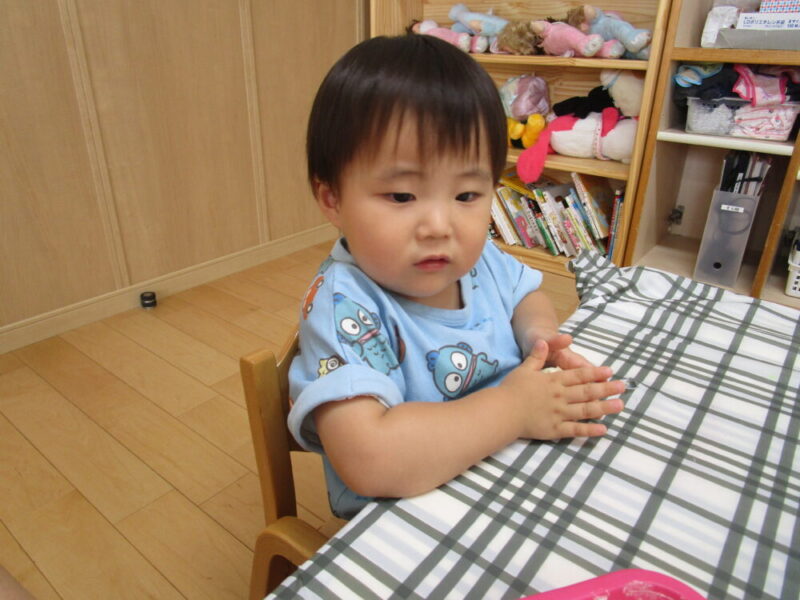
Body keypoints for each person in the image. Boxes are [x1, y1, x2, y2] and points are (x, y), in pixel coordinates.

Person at [288, 34, 625, 519]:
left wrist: (540, 337)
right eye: (402, 196)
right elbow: (369, 460)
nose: (439, 227)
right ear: (332, 199)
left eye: (466, 195)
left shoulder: (479, 256)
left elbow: (524, 295)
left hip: (501, 463)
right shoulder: (345, 308)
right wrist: (514, 410)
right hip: (406, 516)